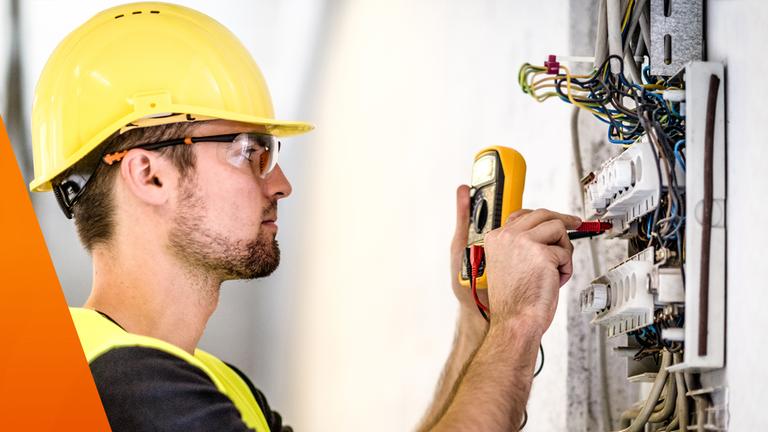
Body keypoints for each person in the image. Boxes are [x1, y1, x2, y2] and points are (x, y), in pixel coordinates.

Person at [30, 3, 580, 431]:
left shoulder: (209, 385)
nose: (281, 184)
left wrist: (478, 324)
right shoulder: (118, 387)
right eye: (250, 151)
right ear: (150, 176)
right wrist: (518, 323)